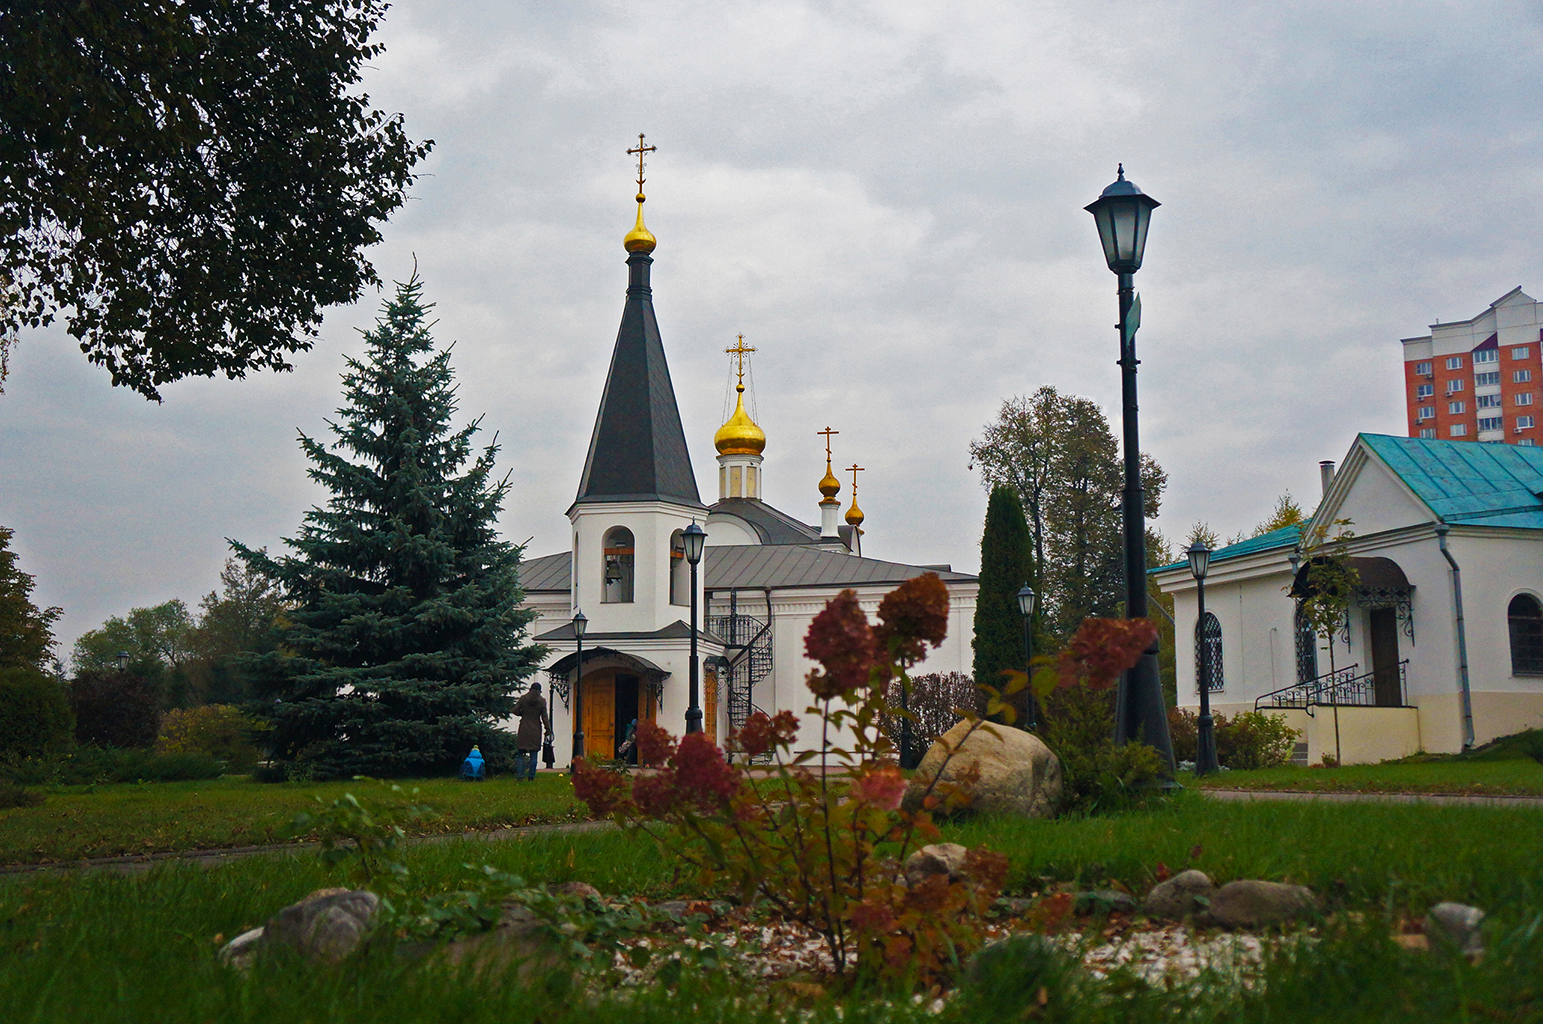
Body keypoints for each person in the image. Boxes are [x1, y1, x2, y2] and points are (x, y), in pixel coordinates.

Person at [512, 682, 552, 782]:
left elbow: (515, 710)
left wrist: (523, 714)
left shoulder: (523, 698)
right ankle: (531, 776)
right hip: (536, 729)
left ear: (530, 689)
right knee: (533, 754)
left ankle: (520, 776)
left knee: (520, 753)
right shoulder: (542, 701)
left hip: (524, 727)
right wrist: (548, 729)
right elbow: (544, 717)